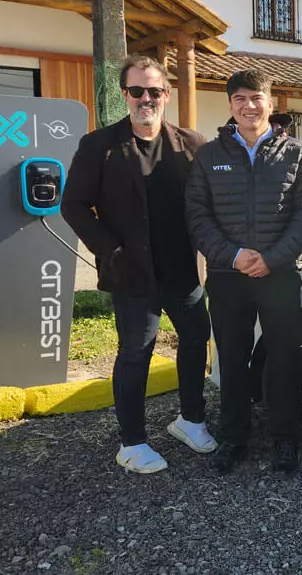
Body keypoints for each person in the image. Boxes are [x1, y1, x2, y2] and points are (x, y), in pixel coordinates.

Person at [61, 55, 215, 473]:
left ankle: (191, 419)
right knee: (136, 352)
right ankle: (131, 442)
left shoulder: (192, 144)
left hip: (183, 269)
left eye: (154, 91)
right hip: (131, 273)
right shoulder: (99, 145)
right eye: (137, 91)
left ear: (167, 94)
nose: (146, 99)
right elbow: (72, 204)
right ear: (125, 95)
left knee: (196, 340)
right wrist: (110, 252)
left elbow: (206, 202)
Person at [184, 69, 302, 475]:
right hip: (228, 276)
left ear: (270, 101)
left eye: (257, 97)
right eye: (240, 98)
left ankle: (285, 439)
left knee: (283, 357)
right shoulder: (209, 156)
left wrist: (273, 257)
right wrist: (233, 255)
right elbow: (197, 215)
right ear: (231, 105)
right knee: (230, 357)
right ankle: (234, 437)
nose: (249, 106)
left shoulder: (297, 153)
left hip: (279, 274)